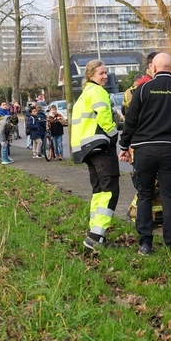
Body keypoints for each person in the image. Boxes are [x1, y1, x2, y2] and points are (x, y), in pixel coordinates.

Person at [119, 53, 171, 255]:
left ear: (153, 68)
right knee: (170, 198)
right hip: (170, 150)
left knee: (145, 195)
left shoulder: (143, 89)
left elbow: (131, 121)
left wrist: (124, 145)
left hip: (144, 150)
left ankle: (145, 243)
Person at [72, 60, 121, 251]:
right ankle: (95, 237)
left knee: (99, 192)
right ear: (91, 75)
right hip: (100, 147)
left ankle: (96, 235)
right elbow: (104, 117)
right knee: (110, 191)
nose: (105, 76)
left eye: (106, 72)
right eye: (101, 73)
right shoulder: (98, 92)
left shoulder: (84, 94)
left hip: (88, 150)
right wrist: (114, 134)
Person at [123, 51, 163, 225]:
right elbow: (134, 118)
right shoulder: (145, 87)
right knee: (149, 182)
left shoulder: (137, 88)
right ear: (151, 66)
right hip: (144, 141)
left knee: (155, 181)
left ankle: (156, 215)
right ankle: (135, 212)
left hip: (142, 140)